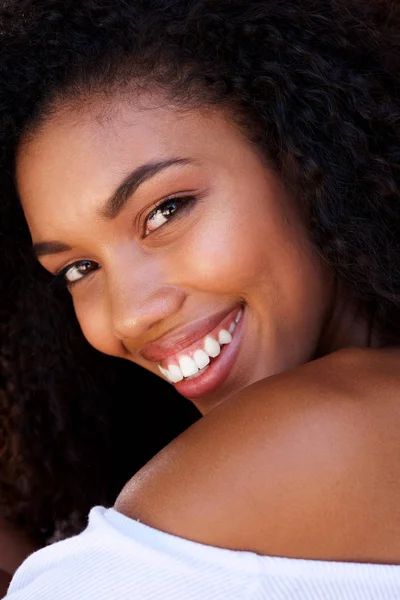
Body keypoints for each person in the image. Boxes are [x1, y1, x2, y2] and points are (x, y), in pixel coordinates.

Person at [1, 0, 400, 597]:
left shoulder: (334, 427)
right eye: (80, 267)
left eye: (165, 211)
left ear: (301, 160)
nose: (130, 314)